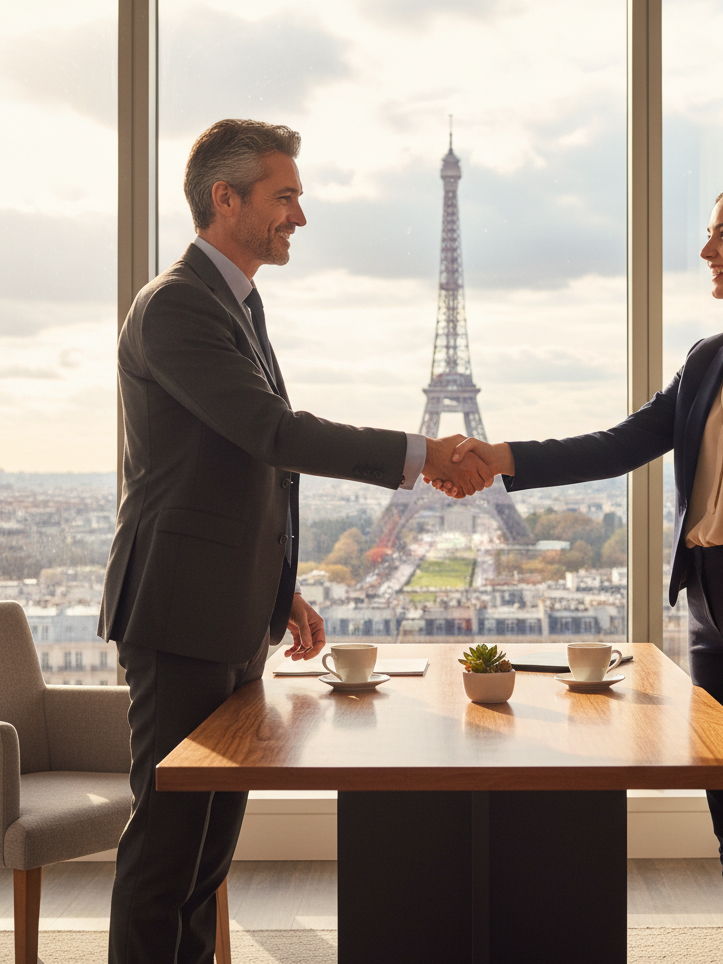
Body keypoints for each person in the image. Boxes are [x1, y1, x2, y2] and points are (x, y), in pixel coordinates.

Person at [433, 177, 723, 964]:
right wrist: (502, 459)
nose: (708, 251)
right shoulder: (709, 358)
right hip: (707, 612)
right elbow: (620, 443)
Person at [98, 118, 490, 964]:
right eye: (285, 196)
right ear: (224, 197)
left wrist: (280, 589)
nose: (299, 217)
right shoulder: (175, 306)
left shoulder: (235, 301)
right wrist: (424, 456)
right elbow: (272, 433)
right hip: (178, 614)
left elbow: (239, 469)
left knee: (204, 859)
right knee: (166, 852)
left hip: (227, 613)